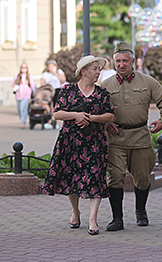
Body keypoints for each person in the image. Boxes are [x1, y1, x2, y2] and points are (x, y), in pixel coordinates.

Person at [101, 41, 162, 231]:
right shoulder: (105, 85)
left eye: (125, 61)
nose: (121, 65)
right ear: (113, 62)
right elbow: (96, 110)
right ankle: (117, 219)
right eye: (118, 61)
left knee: (142, 178)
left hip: (140, 137)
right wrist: (106, 122)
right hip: (115, 139)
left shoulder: (147, 82)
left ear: (133, 61)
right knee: (115, 177)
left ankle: (141, 211)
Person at [42, 55, 115, 236]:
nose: (98, 72)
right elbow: (57, 114)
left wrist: (93, 118)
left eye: (100, 69)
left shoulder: (102, 93)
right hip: (71, 141)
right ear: (84, 71)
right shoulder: (67, 90)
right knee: (72, 177)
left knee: (96, 177)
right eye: (95, 69)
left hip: (95, 143)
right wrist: (76, 115)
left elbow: (110, 116)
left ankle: (93, 219)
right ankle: (75, 211)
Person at [12, 63, 36, 129]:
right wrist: (15, 86)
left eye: (25, 67)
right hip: (18, 95)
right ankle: (22, 119)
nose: (23, 69)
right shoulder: (17, 76)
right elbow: (13, 83)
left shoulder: (29, 76)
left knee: (23, 109)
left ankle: (23, 122)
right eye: (22, 67)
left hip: (26, 95)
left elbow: (32, 86)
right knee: (19, 109)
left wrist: (34, 94)